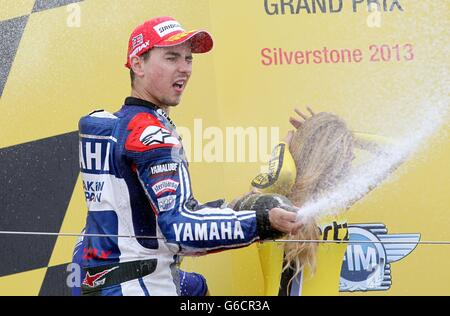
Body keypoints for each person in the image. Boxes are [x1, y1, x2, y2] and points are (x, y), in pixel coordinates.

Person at [72, 16, 301, 296]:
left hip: (95, 282)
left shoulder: (107, 126)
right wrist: (262, 223)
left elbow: (138, 213)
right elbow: (179, 230)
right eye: (171, 58)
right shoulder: (151, 135)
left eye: (188, 59)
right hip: (138, 287)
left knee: (195, 287)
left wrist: (240, 204)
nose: (184, 69)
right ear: (137, 64)